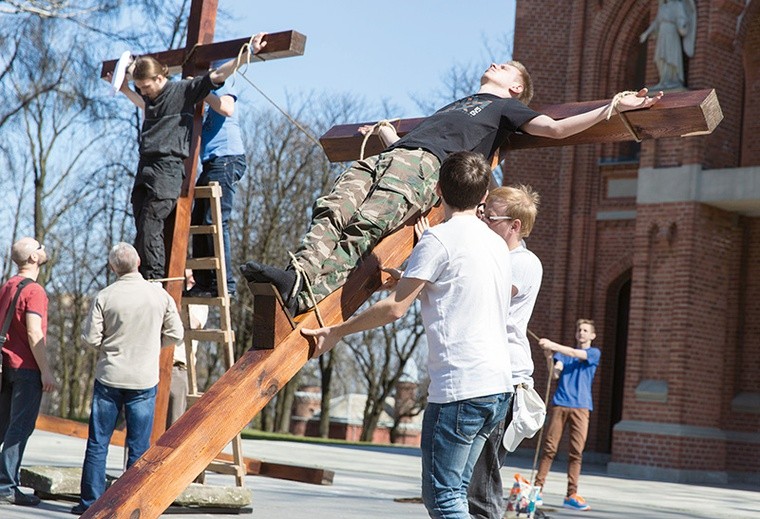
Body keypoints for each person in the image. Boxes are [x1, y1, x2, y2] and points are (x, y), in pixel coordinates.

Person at [240, 61, 662, 316]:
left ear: (516, 87)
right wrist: (387, 135)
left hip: (425, 170)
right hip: (388, 157)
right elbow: (423, 136)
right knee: (331, 211)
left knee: (364, 227)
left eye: (506, 68)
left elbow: (554, 128)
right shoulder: (455, 103)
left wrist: (612, 107)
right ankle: (296, 276)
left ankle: (307, 294)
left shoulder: (505, 108)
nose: (496, 65)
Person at [303, 151, 513, 519]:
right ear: (483, 197)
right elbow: (463, 284)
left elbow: (395, 309)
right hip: (498, 388)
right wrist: (413, 275)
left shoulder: (439, 240)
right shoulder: (496, 244)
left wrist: (337, 331)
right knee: (459, 495)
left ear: (436, 189)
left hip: (460, 390)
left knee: (445, 501)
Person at [111, 33, 265, 281]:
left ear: (160, 77)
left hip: (167, 168)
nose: (145, 92)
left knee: (152, 219)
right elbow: (142, 101)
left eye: (146, 87)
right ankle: (143, 274)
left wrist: (248, 54)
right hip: (146, 165)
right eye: (141, 89)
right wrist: (126, 86)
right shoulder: (150, 99)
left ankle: (154, 278)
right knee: (140, 217)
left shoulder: (182, 91)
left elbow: (217, 76)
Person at [72, 243, 183, 515]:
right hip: (143, 378)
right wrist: (154, 345)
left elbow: (90, 339)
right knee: (139, 447)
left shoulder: (105, 296)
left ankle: (91, 505)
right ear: (139, 261)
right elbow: (177, 334)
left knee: (98, 443)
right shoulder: (159, 296)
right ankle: (132, 503)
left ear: (113, 267)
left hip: (110, 375)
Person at [466, 186, 544, 519]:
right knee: (466, 483)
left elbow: (479, 291)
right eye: (480, 211)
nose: (480, 219)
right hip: (483, 377)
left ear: (514, 226)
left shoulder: (522, 263)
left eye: (488, 216)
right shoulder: (494, 256)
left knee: (481, 488)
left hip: (504, 382)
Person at [0, 238, 55, 507]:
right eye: (40, 246)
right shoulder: (35, 291)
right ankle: (6, 486)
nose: (44, 248)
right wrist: (46, 371)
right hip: (26, 368)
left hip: (5, 365)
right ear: (33, 258)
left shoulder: (7, 286)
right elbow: (35, 332)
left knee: (3, 425)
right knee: (19, 428)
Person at [186, 82, 247, 299]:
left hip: (227, 160)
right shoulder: (198, 106)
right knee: (198, 221)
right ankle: (204, 283)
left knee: (216, 221)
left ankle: (225, 285)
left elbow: (227, 107)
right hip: (211, 163)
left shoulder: (221, 83)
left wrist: (203, 89)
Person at [533, 319, 601, 512]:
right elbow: (554, 374)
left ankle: (571, 494)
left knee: (576, 452)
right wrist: (548, 355)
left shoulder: (593, 353)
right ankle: (537, 489)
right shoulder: (564, 356)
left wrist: (553, 345)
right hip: (560, 403)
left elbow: (573, 353)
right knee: (549, 448)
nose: (581, 333)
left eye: (585, 330)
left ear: (592, 335)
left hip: (581, 407)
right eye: (579, 330)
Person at [167, 272, 208, 429]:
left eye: (192, 277)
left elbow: (191, 323)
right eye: (186, 276)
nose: (190, 279)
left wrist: (176, 305)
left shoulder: (199, 303)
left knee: (173, 426)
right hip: (155, 365)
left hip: (178, 369)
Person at [639, 0, 696, 90]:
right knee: (660, 58)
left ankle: (673, 80)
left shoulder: (678, 5)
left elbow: (682, 18)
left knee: (671, 55)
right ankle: (663, 81)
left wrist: (683, 25)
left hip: (671, 32)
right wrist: (646, 33)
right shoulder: (663, 7)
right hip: (662, 33)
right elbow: (656, 22)